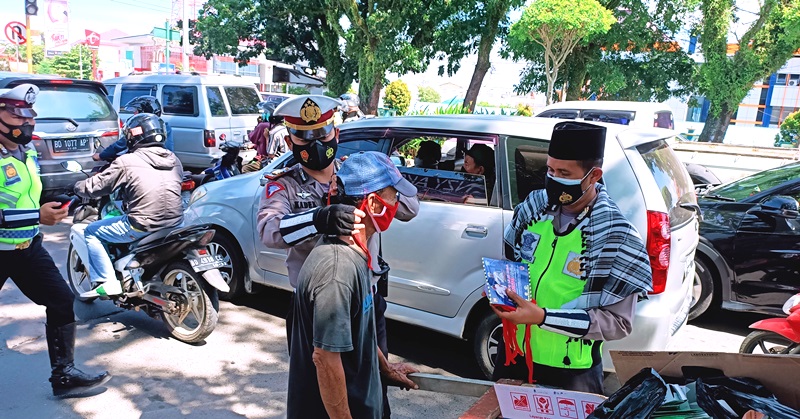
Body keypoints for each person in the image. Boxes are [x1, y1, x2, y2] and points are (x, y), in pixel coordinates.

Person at [256, 95, 419, 418]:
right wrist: (317, 219)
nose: (316, 144)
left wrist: (378, 185)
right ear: (290, 141)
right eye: (306, 137)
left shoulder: (355, 174)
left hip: (367, 300)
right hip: (322, 303)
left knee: (370, 388)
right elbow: (268, 231)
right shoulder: (285, 186)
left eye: (323, 134)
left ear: (336, 135)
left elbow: (410, 208)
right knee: (325, 388)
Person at [492, 121, 652, 393]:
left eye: (564, 172)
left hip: (572, 374)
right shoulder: (532, 210)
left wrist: (543, 317)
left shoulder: (616, 235)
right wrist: (501, 293)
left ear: (593, 175)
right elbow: (512, 263)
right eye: (550, 169)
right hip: (514, 356)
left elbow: (619, 323)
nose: (553, 178)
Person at [287, 151, 418, 419]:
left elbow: (362, 329)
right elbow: (325, 359)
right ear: (374, 203)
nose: (397, 202)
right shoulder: (337, 271)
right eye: (393, 195)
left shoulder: (357, 252)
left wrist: (385, 368)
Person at [0, 84, 110, 397]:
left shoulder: (26, 150)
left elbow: (29, 193)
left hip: (27, 248)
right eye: (18, 116)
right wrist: (37, 216)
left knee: (62, 301)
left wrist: (63, 199)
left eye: (30, 117)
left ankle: (64, 376)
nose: (27, 123)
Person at [75, 113, 185, 298]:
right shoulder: (174, 159)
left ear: (132, 136)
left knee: (91, 231)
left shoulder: (127, 161)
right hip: (176, 223)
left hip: (142, 225)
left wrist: (77, 187)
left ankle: (108, 281)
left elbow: (97, 186)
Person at [94, 96, 174, 161]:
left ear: (144, 112)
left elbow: (121, 144)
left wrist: (101, 155)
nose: (134, 114)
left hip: (144, 162)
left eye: (136, 112)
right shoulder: (165, 126)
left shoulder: (140, 128)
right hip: (164, 162)